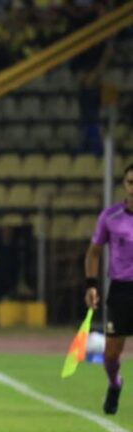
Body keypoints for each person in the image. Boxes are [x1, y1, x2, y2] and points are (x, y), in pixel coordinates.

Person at [84, 163, 133, 415]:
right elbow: (93, 253)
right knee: (111, 355)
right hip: (122, 290)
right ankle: (115, 383)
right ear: (124, 185)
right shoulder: (111, 217)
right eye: (130, 182)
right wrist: (91, 285)